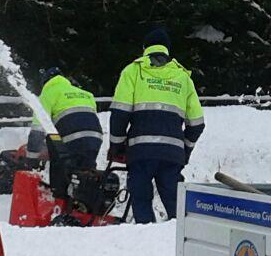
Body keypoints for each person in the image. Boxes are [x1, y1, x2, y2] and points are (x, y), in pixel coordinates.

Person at [108, 28, 204, 222]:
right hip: (172, 154)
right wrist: (185, 150)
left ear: (145, 48)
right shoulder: (183, 77)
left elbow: (119, 114)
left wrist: (116, 145)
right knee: (177, 209)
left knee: (141, 200)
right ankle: (180, 243)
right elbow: (197, 124)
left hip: (141, 152)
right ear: (167, 49)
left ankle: (147, 239)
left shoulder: (133, 71)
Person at [36, 68, 103, 201]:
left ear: (46, 82)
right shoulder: (85, 94)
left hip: (71, 139)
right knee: (85, 173)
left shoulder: (48, 93)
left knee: (60, 168)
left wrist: (32, 157)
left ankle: (59, 200)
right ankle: (87, 206)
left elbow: (37, 128)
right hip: (94, 138)